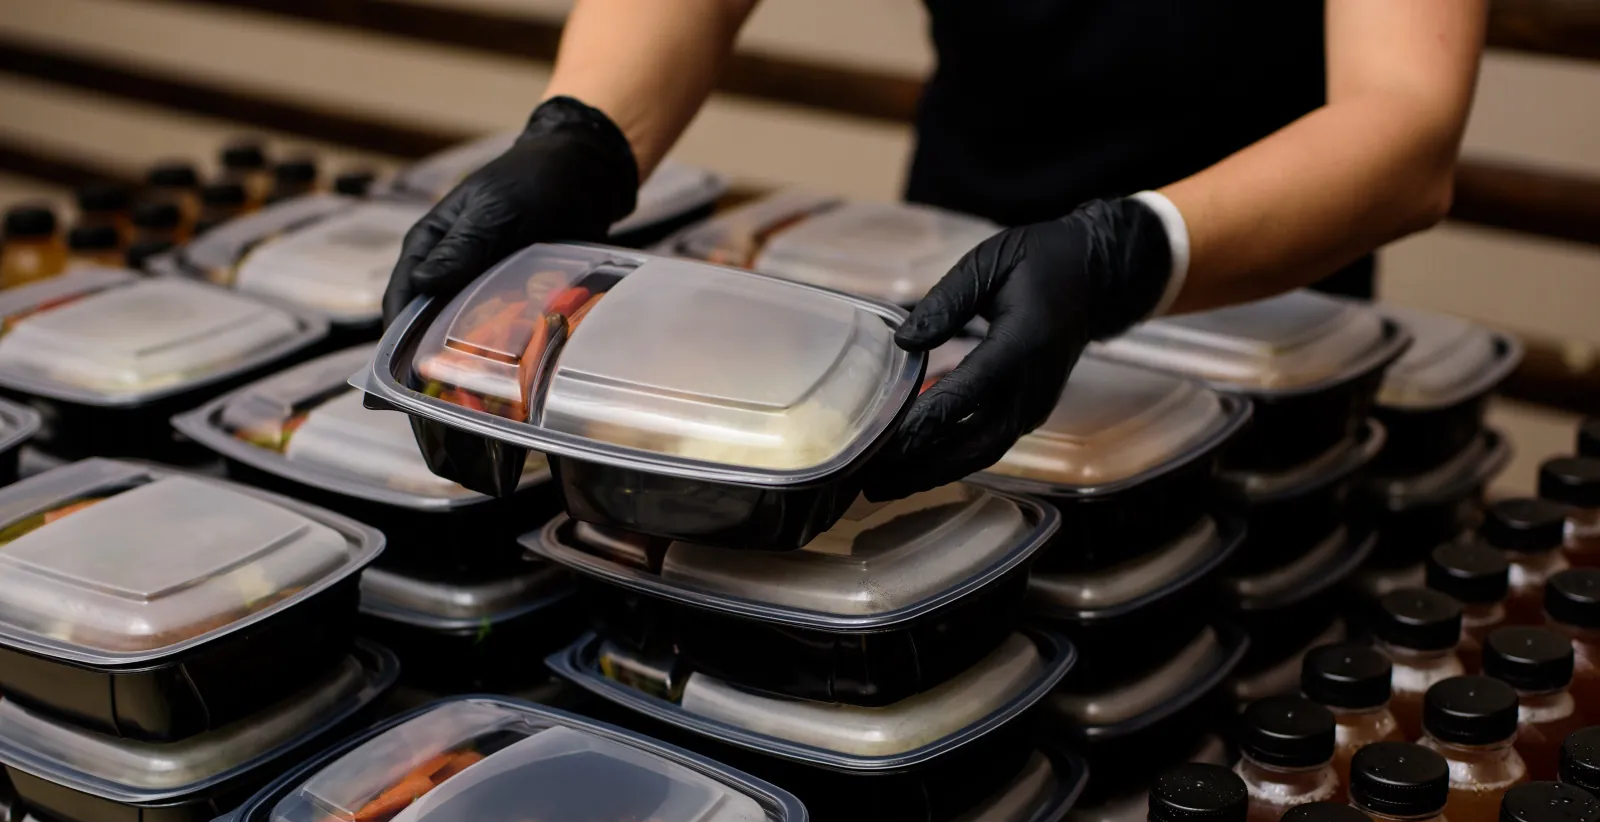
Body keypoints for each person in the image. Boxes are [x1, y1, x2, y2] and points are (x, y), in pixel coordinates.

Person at [383, 0, 1485, 500]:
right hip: (949, 289)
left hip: (1249, 308)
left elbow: (1404, 124)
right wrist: (585, 137)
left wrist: (1125, 253)